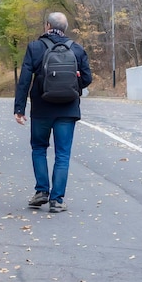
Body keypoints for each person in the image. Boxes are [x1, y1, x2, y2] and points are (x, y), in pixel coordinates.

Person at [14, 12, 92, 213]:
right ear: (65, 28)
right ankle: (57, 200)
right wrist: (73, 86)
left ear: (47, 25)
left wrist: (19, 108)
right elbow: (87, 78)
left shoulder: (35, 47)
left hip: (41, 109)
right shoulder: (77, 49)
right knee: (63, 154)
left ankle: (41, 191)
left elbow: (24, 79)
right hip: (68, 109)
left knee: (39, 148)